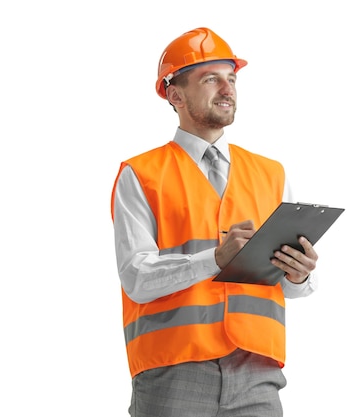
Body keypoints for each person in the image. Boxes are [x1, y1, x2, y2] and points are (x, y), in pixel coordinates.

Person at [110, 27, 319, 417]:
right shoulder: (141, 174)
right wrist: (214, 259)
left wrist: (299, 275)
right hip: (173, 368)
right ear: (175, 95)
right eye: (211, 79)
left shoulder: (271, 173)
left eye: (232, 78)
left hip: (258, 369)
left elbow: (291, 290)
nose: (227, 89)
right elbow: (136, 278)